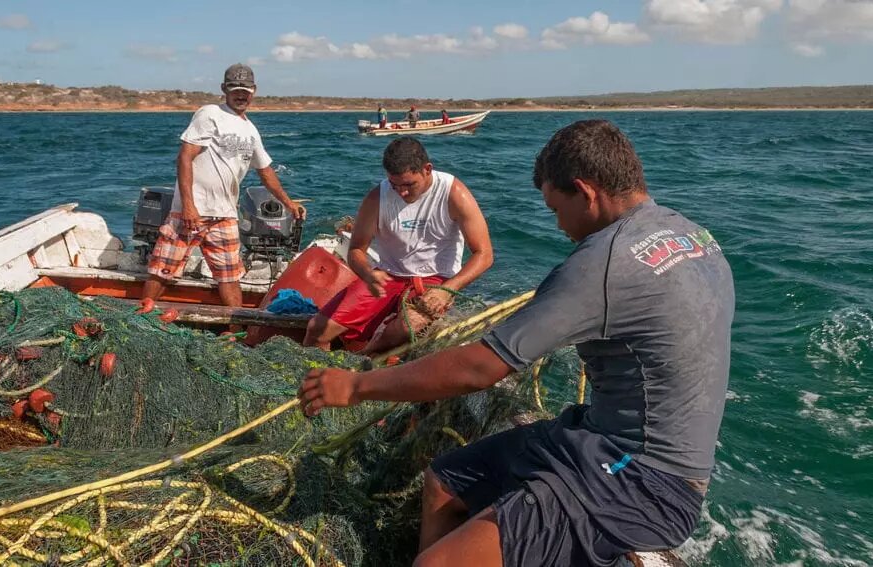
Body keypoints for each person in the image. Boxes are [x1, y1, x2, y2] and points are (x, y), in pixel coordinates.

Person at [298, 119, 735, 567]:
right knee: (443, 483)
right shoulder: (692, 234)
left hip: (643, 481)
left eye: (555, 208)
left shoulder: (603, 263)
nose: (558, 224)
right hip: (592, 436)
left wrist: (354, 387)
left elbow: (480, 368)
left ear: (585, 192)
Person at [303, 136, 493, 353]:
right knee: (317, 329)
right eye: (394, 185)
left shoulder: (454, 193)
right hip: (388, 276)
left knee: (403, 328)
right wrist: (366, 274)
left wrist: (448, 290)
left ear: (427, 169)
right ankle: (313, 381)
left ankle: (362, 361)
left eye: (408, 185)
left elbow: (484, 254)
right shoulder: (377, 198)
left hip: (435, 278)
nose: (401, 192)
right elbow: (356, 248)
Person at [142, 63, 302, 308]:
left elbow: (265, 171)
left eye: (245, 90)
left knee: (230, 277)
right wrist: (188, 206)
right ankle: (140, 315)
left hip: (225, 214)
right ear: (224, 89)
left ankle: (235, 332)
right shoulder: (209, 113)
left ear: (254, 91)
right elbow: (185, 157)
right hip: (191, 211)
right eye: (235, 89)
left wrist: (289, 204)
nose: (241, 94)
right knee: (163, 270)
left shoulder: (250, 129)